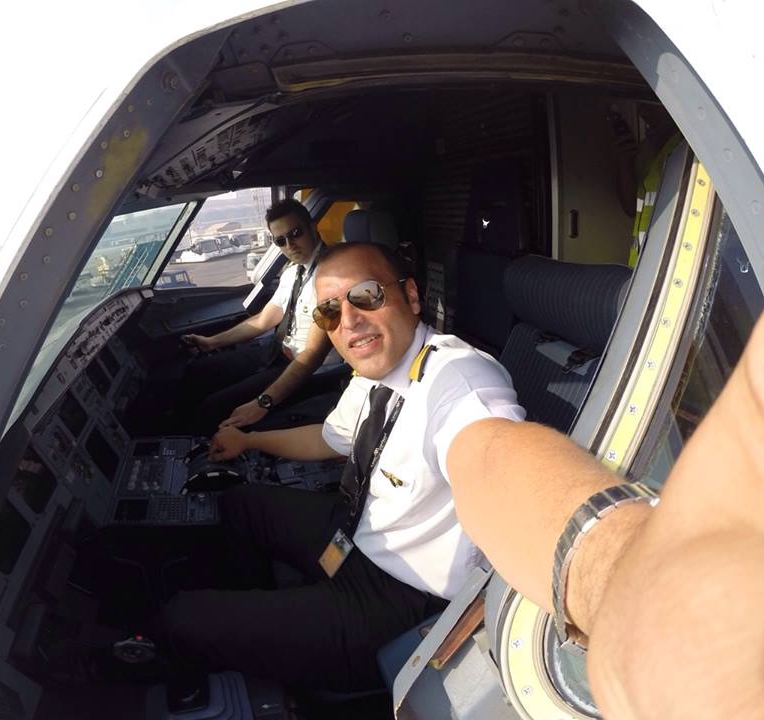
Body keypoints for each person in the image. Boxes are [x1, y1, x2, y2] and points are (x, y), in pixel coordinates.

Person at [151, 241, 525, 690]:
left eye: (366, 295)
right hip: (357, 534)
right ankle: (267, 624)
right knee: (241, 503)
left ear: (410, 295)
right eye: (329, 311)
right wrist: (248, 440)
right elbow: (329, 438)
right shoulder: (376, 372)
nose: (348, 320)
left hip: (402, 593)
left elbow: (495, 455)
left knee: (181, 620)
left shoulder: (461, 382)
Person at [447, 282, 764, 720]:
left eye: (369, 295)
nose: (358, 317)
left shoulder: (456, 378)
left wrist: (634, 594)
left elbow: (483, 452)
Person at [178, 198, 336, 436]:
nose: (290, 245)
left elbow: (312, 355)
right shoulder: (293, 272)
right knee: (198, 371)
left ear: (312, 227)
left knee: (214, 408)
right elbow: (263, 320)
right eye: (280, 240)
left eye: (295, 233)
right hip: (277, 351)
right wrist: (211, 342)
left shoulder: (334, 275)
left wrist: (263, 402)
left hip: (308, 369)